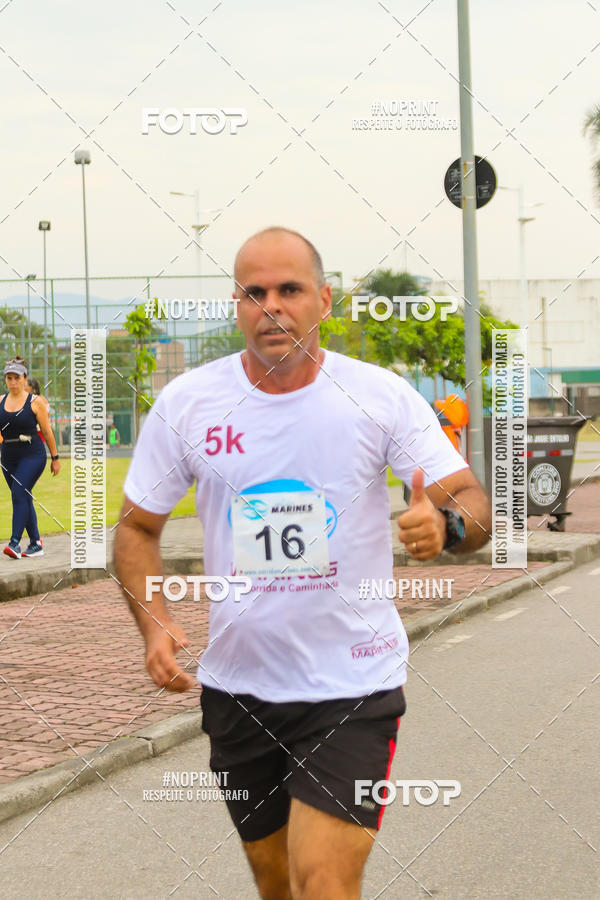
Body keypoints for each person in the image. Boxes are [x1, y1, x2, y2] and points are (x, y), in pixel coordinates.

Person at [115, 228, 491, 899]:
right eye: (254, 293)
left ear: (323, 299)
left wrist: (447, 525)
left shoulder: (378, 397)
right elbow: (137, 528)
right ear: (236, 304)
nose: (272, 307)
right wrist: (154, 624)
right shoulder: (190, 405)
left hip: (353, 687)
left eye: (289, 290)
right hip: (239, 691)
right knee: (276, 883)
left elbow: (473, 507)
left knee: (322, 883)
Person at [1, 356, 60, 558]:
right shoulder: (0, 401)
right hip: (8, 457)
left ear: (25, 379)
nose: (13, 382)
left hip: (32, 454)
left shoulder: (36, 403)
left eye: (17, 377)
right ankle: (36, 543)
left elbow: (47, 431)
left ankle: (15, 543)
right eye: (9, 378)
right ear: (5, 380)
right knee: (23, 497)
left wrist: (55, 457)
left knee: (18, 492)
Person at [25, 375, 51, 444]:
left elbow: (47, 414)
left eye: (26, 385)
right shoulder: (29, 399)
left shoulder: (41, 400)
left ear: (32, 388)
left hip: (38, 431)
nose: (24, 387)